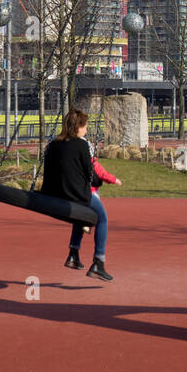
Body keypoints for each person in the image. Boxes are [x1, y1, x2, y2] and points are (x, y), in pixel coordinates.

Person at [41, 109, 119, 282]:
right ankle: (98, 262)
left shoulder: (52, 144)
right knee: (102, 218)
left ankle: (73, 254)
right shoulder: (82, 145)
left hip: (52, 195)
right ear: (78, 127)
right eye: (85, 126)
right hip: (75, 195)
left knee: (81, 214)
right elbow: (90, 174)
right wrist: (100, 182)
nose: (86, 129)